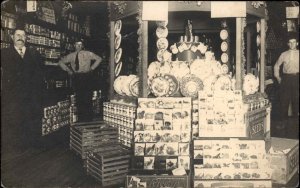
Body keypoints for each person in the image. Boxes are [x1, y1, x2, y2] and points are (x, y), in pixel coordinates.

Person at [1, 25, 44, 152]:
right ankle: (18, 145)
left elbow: (40, 72)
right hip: (13, 93)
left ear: (27, 38)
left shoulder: (34, 53)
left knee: (32, 117)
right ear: (12, 37)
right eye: (18, 35)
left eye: (23, 35)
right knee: (16, 118)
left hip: (32, 94)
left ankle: (33, 143)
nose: (21, 38)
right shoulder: (4, 53)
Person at [58, 39, 102, 122]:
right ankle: (81, 119)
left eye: (80, 45)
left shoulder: (88, 53)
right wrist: (69, 70)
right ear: (74, 46)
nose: (78, 46)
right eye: (76, 44)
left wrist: (92, 68)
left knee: (88, 98)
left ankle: (88, 119)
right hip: (77, 77)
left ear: (82, 46)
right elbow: (60, 62)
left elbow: (99, 59)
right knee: (79, 99)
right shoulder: (71, 55)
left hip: (87, 77)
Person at [274, 32, 299, 130]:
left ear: (297, 43)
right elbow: (276, 65)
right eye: (290, 42)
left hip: (297, 79)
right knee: (284, 101)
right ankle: (282, 123)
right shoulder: (283, 54)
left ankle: (296, 124)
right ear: (288, 44)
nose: (292, 44)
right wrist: (278, 77)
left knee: (296, 101)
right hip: (286, 79)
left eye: (294, 42)